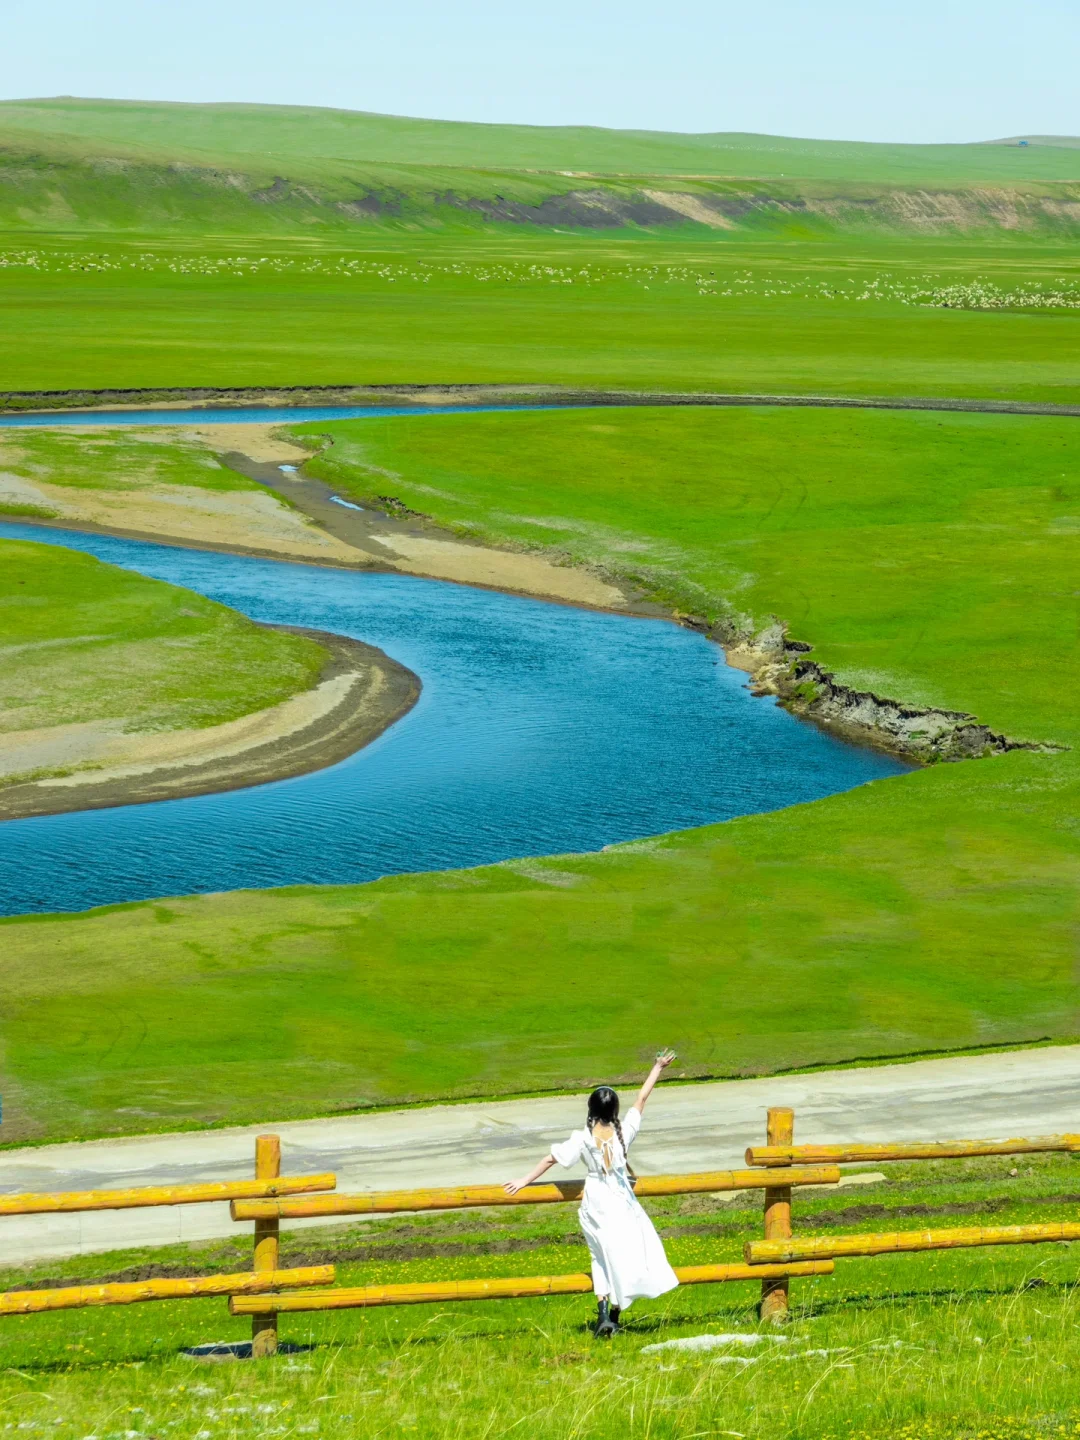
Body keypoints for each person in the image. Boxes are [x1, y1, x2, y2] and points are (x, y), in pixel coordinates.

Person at [504, 1050, 679, 1337]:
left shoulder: (583, 1138)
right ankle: (614, 1315)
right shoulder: (626, 1131)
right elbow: (641, 1099)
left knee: (599, 1257)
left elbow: (551, 1158)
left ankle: (602, 1315)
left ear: (591, 1110)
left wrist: (523, 1180)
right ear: (614, 1111)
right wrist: (657, 1067)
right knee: (623, 1257)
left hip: (597, 1202)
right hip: (623, 1203)